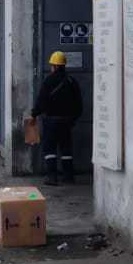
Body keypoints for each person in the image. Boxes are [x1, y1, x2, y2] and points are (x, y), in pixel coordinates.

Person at [31, 51, 83, 185]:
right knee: (66, 148)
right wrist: (73, 119)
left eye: (52, 65)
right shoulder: (71, 81)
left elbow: (42, 100)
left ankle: (52, 177)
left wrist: (34, 114)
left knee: (50, 148)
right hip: (67, 122)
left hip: (51, 121)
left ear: (54, 66)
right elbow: (79, 104)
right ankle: (68, 177)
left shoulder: (49, 81)